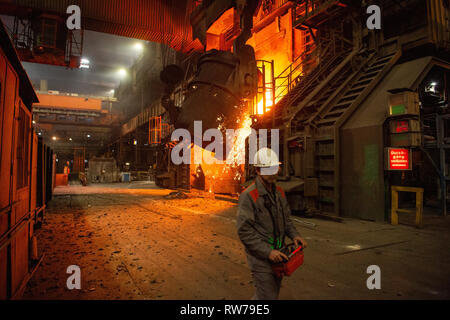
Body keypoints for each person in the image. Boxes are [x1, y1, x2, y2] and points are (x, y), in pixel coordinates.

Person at [236, 147, 307, 300]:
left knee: (267, 294)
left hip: (279, 254)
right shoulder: (249, 196)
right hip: (261, 258)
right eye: (269, 169)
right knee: (268, 296)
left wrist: (295, 235)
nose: (274, 172)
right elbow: (244, 231)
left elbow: (286, 219)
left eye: (275, 167)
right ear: (258, 171)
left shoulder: (279, 192)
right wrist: (268, 252)